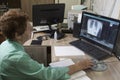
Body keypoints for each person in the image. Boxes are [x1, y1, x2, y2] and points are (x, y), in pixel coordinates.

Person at [0, 10, 93, 80]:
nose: (32, 30)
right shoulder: (17, 58)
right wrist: (79, 65)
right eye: (28, 28)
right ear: (17, 35)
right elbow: (48, 75)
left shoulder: (5, 44)